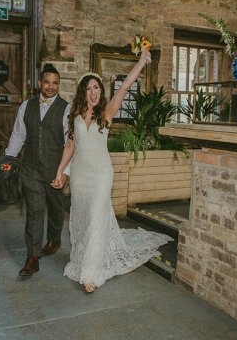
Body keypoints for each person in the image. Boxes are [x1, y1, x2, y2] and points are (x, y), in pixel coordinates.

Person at [51, 48, 171, 293]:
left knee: (96, 218)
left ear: (101, 91)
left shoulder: (106, 113)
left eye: (97, 88)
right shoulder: (74, 116)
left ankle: (91, 274)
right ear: (83, 92)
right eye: (89, 88)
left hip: (102, 175)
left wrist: (140, 63)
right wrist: (60, 172)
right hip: (81, 177)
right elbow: (70, 146)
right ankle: (84, 259)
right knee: (85, 220)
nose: (94, 93)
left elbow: (125, 86)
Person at [5, 63, 71, 276]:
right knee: (34, 212)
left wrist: (64, 172)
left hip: (55, 169)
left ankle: (54, 238)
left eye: (55, 83)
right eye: (47, 82)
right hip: (31, 169)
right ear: (39, 83)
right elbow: (18, 136)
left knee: (56, 208)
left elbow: (71, 144)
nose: (51, 87)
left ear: (58, 85)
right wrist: (8, 159)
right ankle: (32, 257)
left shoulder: (67, 109)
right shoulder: (26, 106)